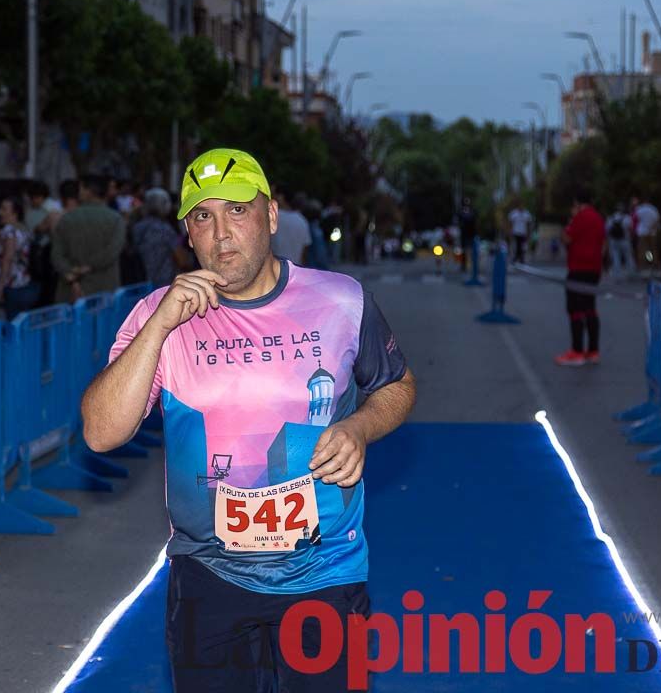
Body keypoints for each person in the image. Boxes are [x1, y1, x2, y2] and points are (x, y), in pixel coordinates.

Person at [82, 148, 416, 693]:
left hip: (325, 572)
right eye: (203, 217)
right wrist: (160, 325)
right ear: (187, 234)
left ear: (272, 215)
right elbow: (101, 432)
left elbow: (397, 386)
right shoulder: (158, 316)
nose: (222, 233)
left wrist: (361, 427)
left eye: (237, 210)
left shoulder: (340, 301)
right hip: (209, 574)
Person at [50, 175, 125, 302]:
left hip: (71, 290)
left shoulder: (67, 219)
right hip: (105, 288)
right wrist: (90, 266)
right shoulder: (116, 219)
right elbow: (113, 251)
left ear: (87, 191)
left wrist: (70, 272)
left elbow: (56, 255)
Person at [556, 189, 605, 366]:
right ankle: (593, 350)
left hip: (578, 268)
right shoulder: (598, 218)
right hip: (594, 269)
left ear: (577, 204)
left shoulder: (580, 218)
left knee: (575, 308)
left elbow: (567, 238)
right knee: (590, 308)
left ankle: (576, 351)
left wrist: (568, 225)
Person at [0, 197, 38, 319]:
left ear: (15, 213)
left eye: (4, 209)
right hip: (24, 282)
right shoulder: (23, 230)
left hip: (11, 286)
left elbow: (7, 258)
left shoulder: (9, 232)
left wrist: (0, 287)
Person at [131, 188, 184, 289]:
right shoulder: (165, 229)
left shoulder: (137, 227)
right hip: (163, 286)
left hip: (139, 285)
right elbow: (182, 260)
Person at [269, 186, 311, 265]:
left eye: (272, 194)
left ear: (281, 197)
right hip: (296, 271)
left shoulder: (271, 218)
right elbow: (304, 253)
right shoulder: (302, 220)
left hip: (274, 272)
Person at [632, 196, 660, 271]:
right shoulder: (653, 209)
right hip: (652, 233)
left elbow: (634, 220)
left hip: (642, 233)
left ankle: (643, 265)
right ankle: (653, 263)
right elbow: (657, 221)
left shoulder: (639, 209)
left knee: (643, 250)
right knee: (652, 250)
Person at [606, 205, 633, 281]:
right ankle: (631, 274)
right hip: (625, 240)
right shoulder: (627, 218)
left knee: (615, 257)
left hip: (614, 240)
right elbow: (631, 228)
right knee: (628, 256)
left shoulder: (611, 218)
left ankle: (617, 275)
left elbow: (607, 230)